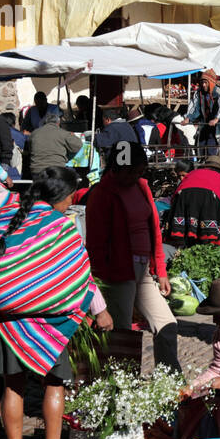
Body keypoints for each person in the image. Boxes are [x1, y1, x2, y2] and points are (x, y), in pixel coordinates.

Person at [0, 166, 112, 439]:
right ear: (64, 196)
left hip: (3, 319)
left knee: (13, 385)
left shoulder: (5, 216)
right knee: (54, 383)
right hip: (47, 324)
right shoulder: (61, 228)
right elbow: (79, 274)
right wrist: (100, 310)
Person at [85, 142, 178, 373]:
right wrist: (99, 288)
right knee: (122, 334)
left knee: (167, 324)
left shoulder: (142, 186)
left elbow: (154, 231)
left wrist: (161, 271)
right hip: (118, 274)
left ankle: (170, 382)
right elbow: (95, 245)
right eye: (133, 171)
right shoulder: (101, 195)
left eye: (140, 171)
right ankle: (121, 388)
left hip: (144, 271)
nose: (137, 175)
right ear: (118, 169)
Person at [187, 71, 220, 149]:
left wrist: (216, 119)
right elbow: (194, 106)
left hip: (216, 127)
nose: (203, 84)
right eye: (202, 82)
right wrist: (188, 118)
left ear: (211, 82)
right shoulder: (199, 92)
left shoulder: (218, 92)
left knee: (211, 149)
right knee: (200, 147)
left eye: (205, 82)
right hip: (204, 125)